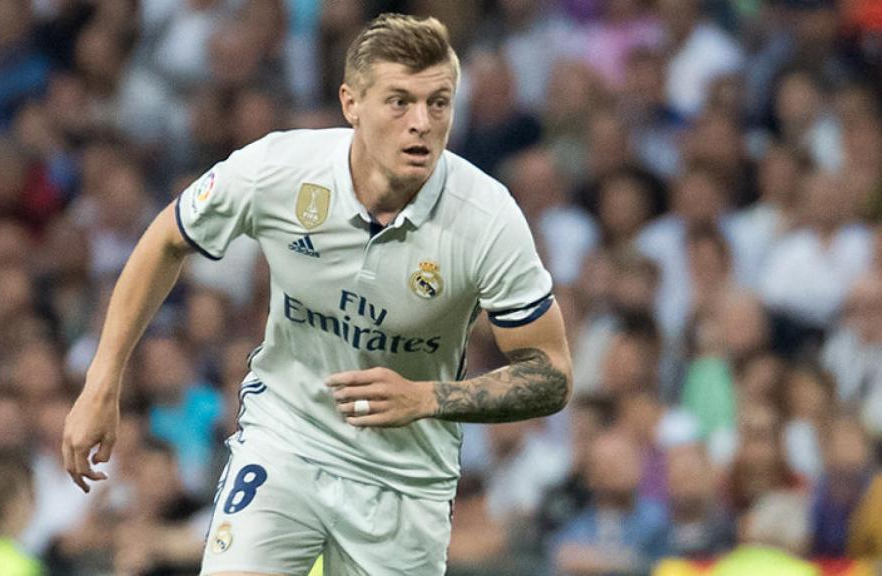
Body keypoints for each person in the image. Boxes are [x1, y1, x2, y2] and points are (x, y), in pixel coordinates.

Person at [62, 13, 572, 576]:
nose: (421, 123)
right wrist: (101, 382)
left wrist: (428, 398)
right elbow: (166, 238)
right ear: (351, 103)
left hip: (403, 481)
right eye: (399, 102)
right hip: (285, 441)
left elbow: (551, 372)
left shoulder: (486, 217)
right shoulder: (280, 170)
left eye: (439, 103)